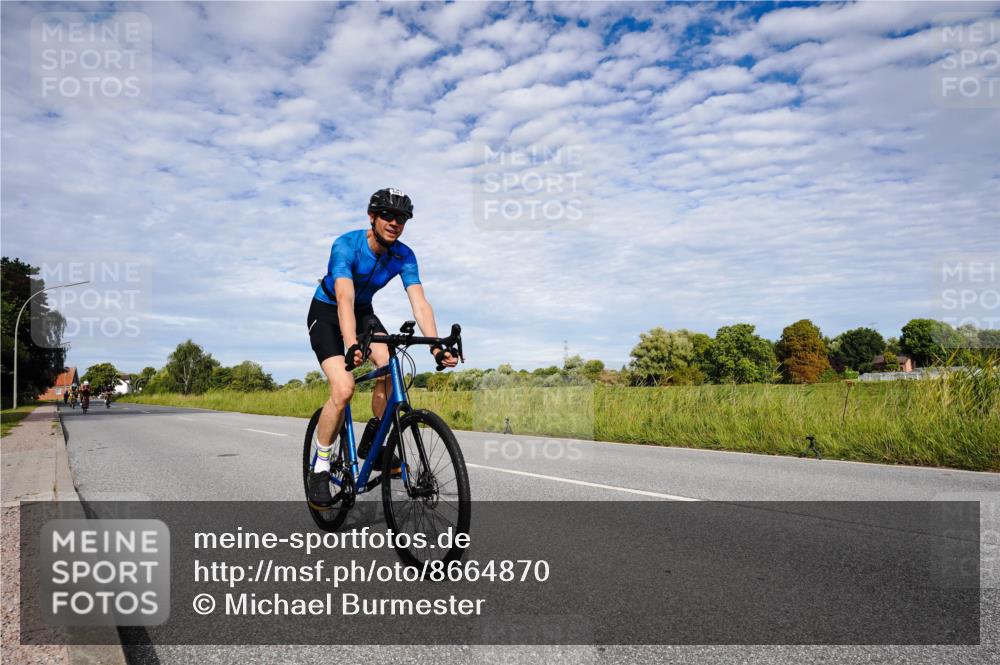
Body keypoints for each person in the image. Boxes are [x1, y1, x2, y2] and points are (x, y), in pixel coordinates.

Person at [306, 188, 457, 509]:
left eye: (401, 218)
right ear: (372, 217)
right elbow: (344, 297)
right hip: (328, 311)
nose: (394, 222)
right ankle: (319, 467)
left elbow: (419, 302)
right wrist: (351, 346)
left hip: (363, 314)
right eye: (387, 215)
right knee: (344, 388)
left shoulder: (404, 255)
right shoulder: (346, 245)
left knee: (390, 367)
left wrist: (436, 347)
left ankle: (373, 444)